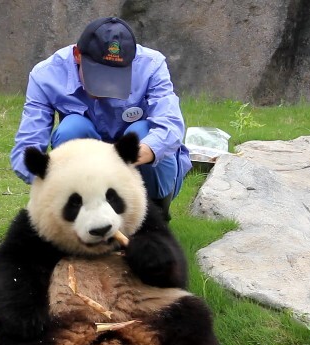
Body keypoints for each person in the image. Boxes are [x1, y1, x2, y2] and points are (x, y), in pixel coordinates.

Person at [10, 16, 191, 221]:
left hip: (142, 166)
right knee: (71, 128)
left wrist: (135, 155)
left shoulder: (151, 64)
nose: (107, 88)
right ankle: (84, 213)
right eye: (99, 76)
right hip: (87, 173)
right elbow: (28, 145)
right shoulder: (46, 75)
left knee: (143, 132)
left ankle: (155, 218)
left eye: (115, 78)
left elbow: (171, 125)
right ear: (78, 55)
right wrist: (52, 183)